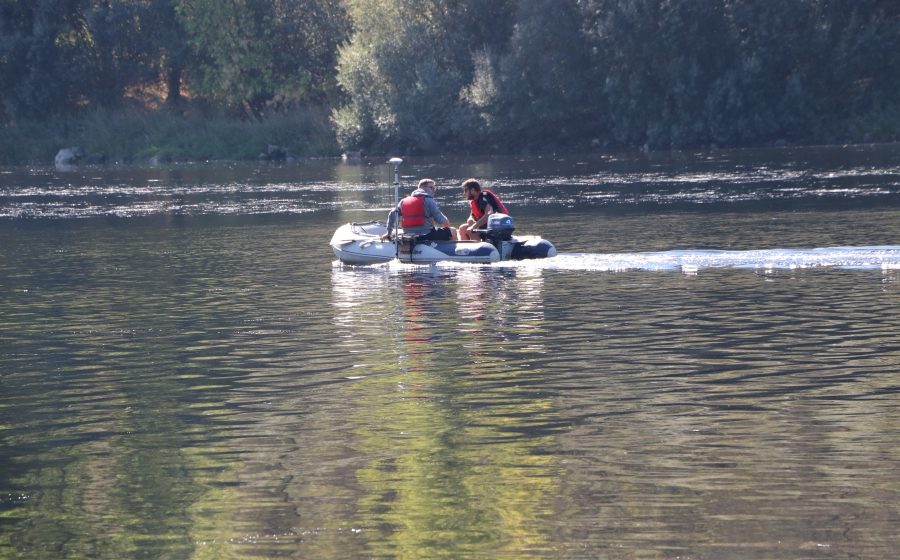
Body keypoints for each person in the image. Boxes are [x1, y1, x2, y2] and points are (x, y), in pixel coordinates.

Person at [382, 178, 455, 241]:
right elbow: (443, 221)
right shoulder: (429, 200)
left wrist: (389, 233)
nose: (434, 190)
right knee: (453, 230)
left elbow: (392, 213)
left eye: (434, 188)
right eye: (431, 188)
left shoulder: (403, 201)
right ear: (422, 188)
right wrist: (448, 231)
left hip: (408, 235)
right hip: (426, 236)